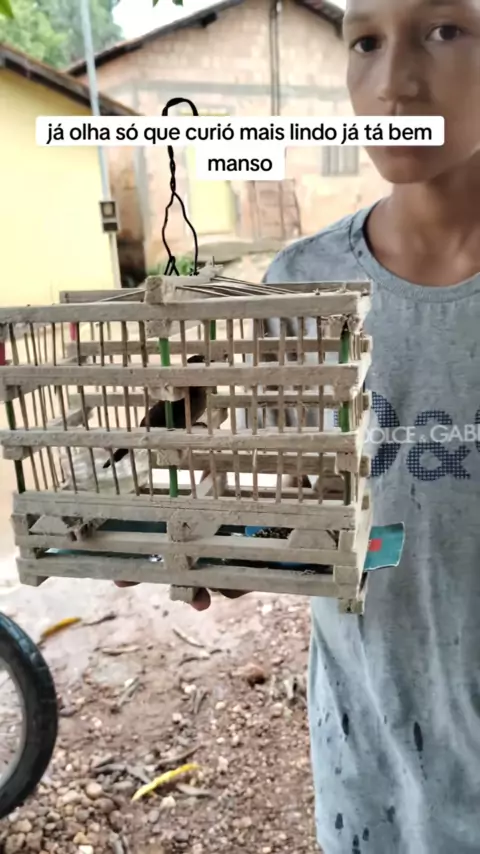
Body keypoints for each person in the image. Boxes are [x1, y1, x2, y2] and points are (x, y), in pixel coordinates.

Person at [118, 0, 480, 850]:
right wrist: (222, 547)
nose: (394, 84)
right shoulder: (302, 285)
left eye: (445, 31)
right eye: (365, 42)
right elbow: (290, 505)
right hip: (371, 767)